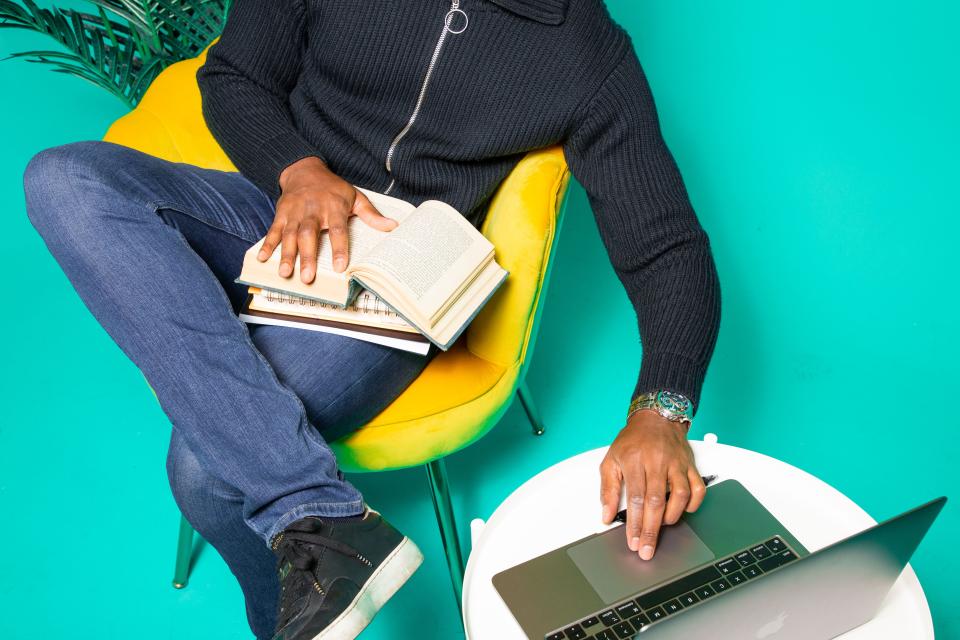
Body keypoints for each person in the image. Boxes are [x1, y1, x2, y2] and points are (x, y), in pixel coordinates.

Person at [22, 0, 721, 638]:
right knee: (64, 176)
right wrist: (296, 170)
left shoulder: (589, 54)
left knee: (206, 470)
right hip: (274, 206)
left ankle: (301, 584)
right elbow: (235, 76)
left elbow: (666, 245)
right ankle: (318, 514)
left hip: (406, 276)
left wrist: (661, 412)